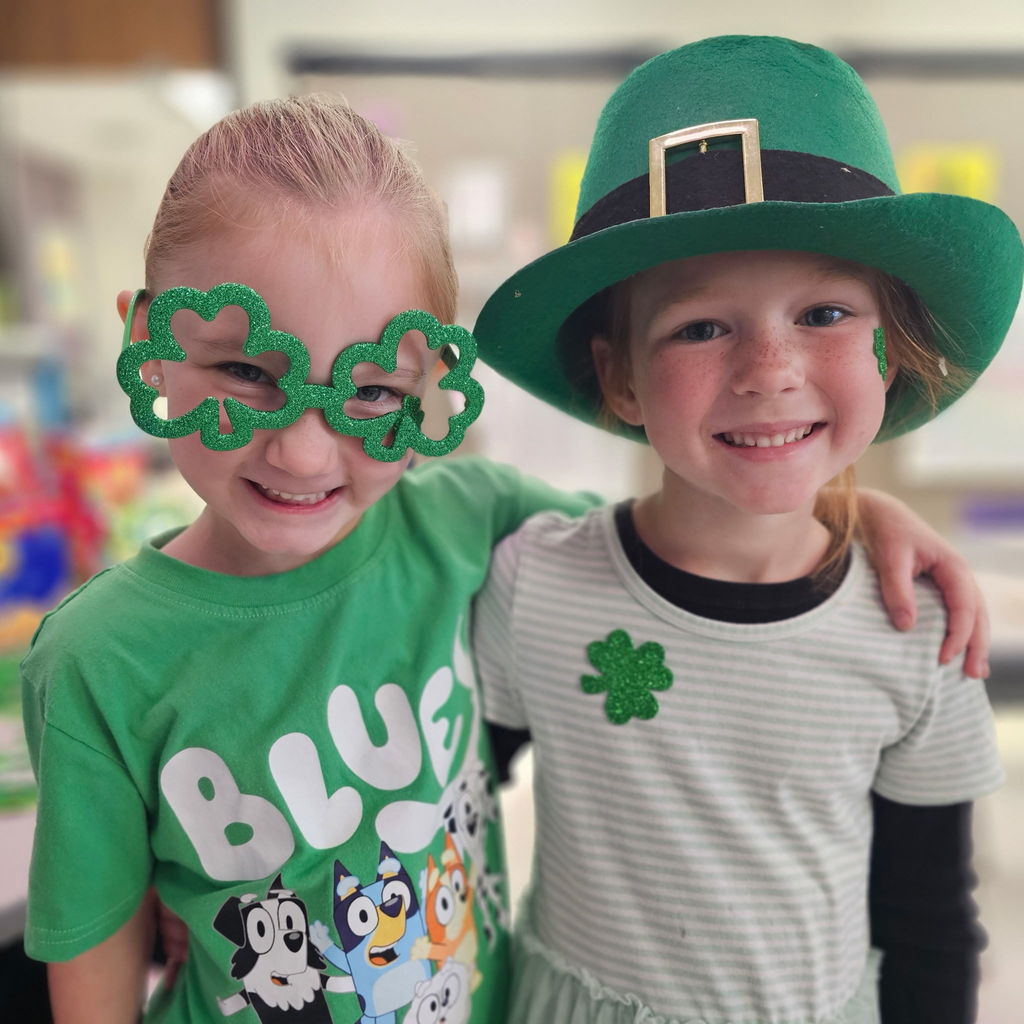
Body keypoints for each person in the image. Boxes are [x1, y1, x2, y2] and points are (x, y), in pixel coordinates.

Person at [19, 91, 993, 1024]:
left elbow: (693, 526)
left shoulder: (470, 521)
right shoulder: (98, 657)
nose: (303, 452)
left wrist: (854, 512)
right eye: (243, 370)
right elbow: (91, 937)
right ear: (149, 340)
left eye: (368, 389)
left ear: (429, 378)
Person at [470, 35, 1022, 1024]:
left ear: (889, 352)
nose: (770, 368)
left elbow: (931, 919)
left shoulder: (919, 625)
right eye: (699, 326)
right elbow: (430, 806)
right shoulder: (534, 587)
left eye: (821, 310)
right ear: (620, 377)